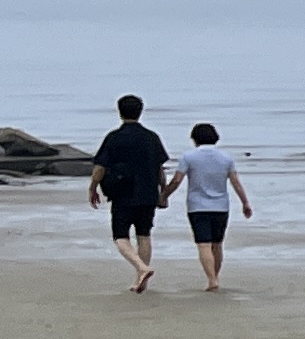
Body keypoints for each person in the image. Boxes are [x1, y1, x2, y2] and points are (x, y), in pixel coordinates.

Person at [87, 94, 169, 294]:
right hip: (148, 192)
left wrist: (93, 187)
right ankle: (141, 279)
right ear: (140, 111)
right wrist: (163, 192)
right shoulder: (152, 137)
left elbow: (101, 167)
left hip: (122, 192)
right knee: (144, 234)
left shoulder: (114, 138)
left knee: (120, 236)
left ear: (119, 111)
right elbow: (159, 169)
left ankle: (141, 268)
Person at [174, 121, 252, 293]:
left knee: (203, 245)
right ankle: (215, 277)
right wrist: (245, 202)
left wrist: (164, 195)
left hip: (197, 206)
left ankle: (211, 279)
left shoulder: (189, 157)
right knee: (217, 245)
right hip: (221, 206)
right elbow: (235, 182)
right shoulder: (225, 158)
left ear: (194, 139)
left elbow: (177, 180)